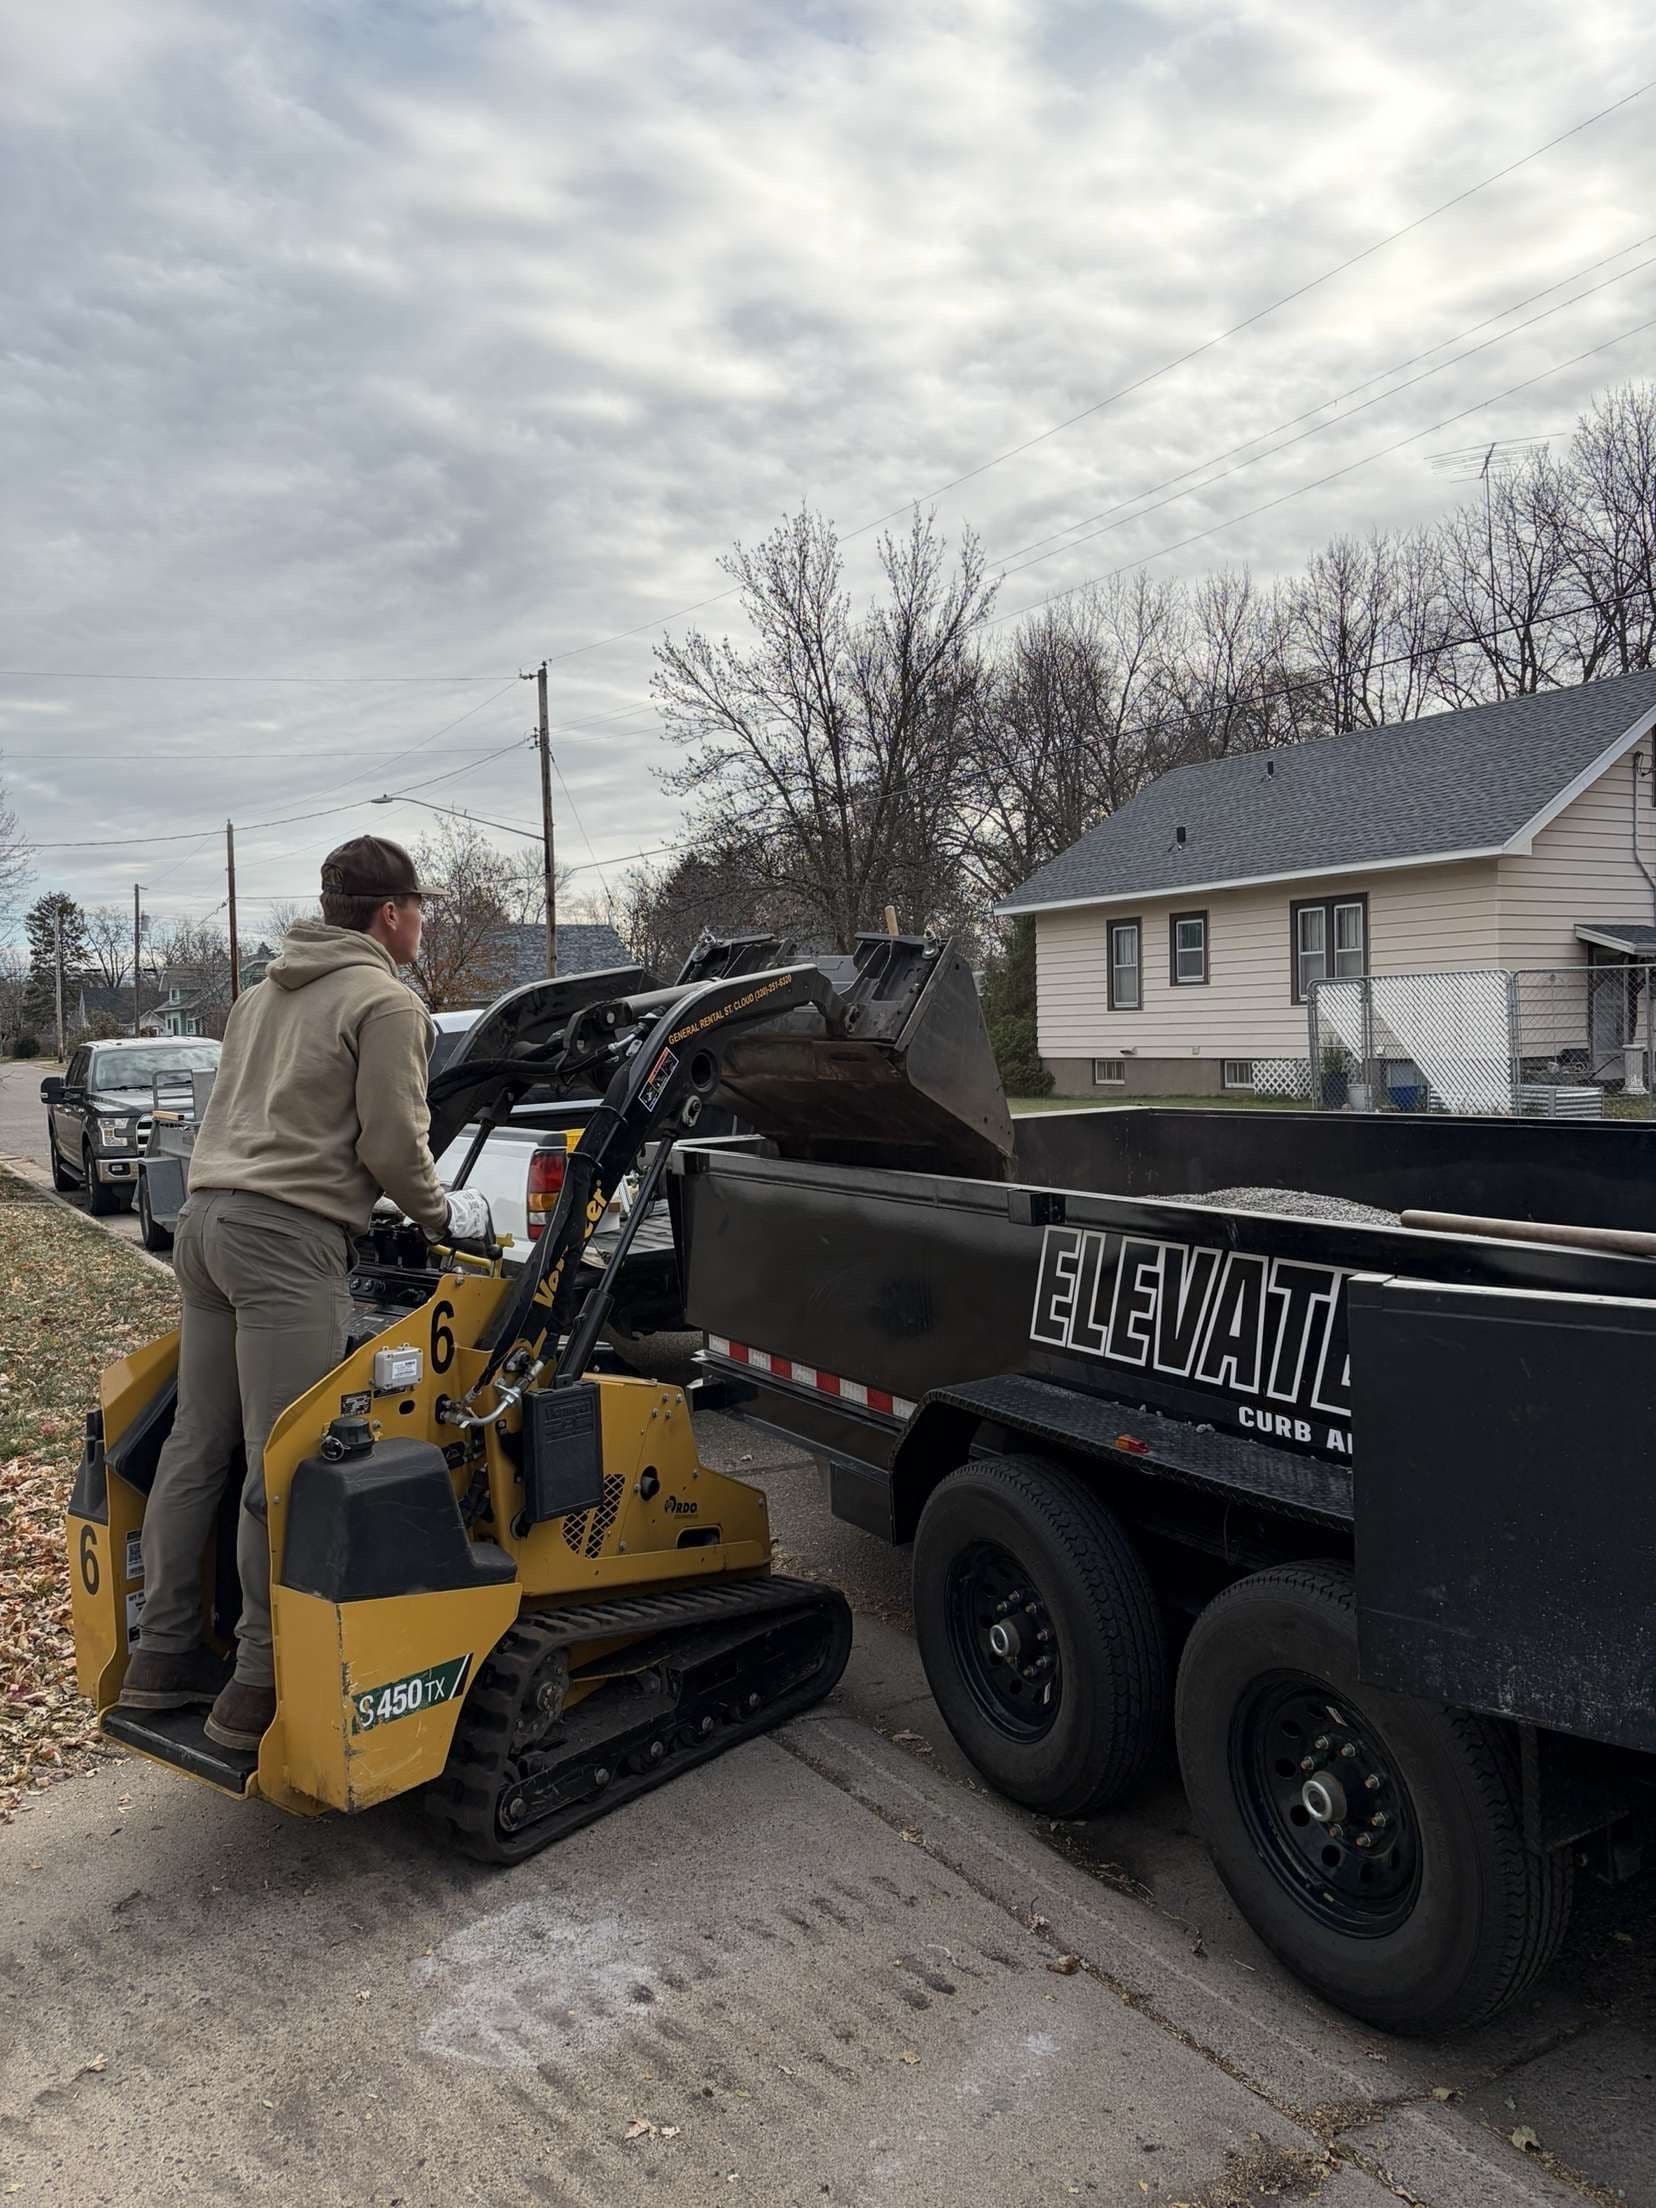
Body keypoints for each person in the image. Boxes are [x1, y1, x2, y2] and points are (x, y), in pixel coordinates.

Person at [118, 835, 491, 1751]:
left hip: (205, 1226)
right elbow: (392, 1148)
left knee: (199, 1446)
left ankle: (159, 1657)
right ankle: (257, 1682)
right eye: (418, 910)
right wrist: (449, 1221)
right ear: (390, 914)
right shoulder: (385, 1002)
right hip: (289, 1243)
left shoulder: (258, 994)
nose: (419, 923)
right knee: (283, 1464)